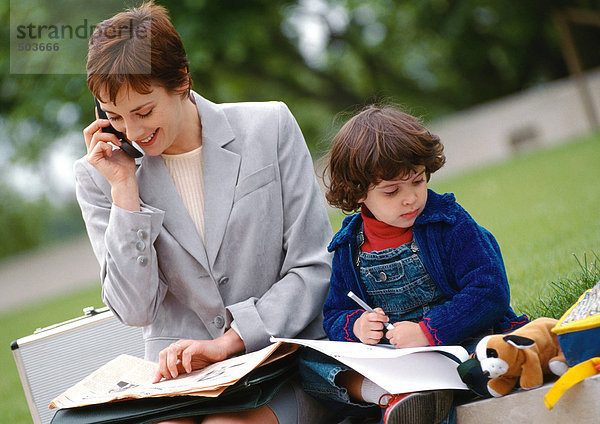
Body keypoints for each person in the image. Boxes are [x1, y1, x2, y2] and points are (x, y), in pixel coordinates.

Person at [76, 2, 333, 423]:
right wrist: (125, 190)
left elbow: (314, 264)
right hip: (180, 384)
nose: (135, 132)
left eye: (143, 111)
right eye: (116, 117)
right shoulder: (99, 176)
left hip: (282, 359)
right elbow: (133, 309)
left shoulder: (270, 127)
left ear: (181, 81)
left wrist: (231, 340)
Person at [299, 105, 528, 424]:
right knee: (309, 362)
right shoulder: (350, 245)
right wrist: (356, 326)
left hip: (460, 343)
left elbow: (489, 291)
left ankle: (426, 398)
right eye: (392, 191)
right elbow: (335, 312)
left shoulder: (448, 222)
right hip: (397, 360)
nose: (410, 198)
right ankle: (390, 396)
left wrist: (428, 332)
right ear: (358, 193)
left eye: (417, 181)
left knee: (491, 357)